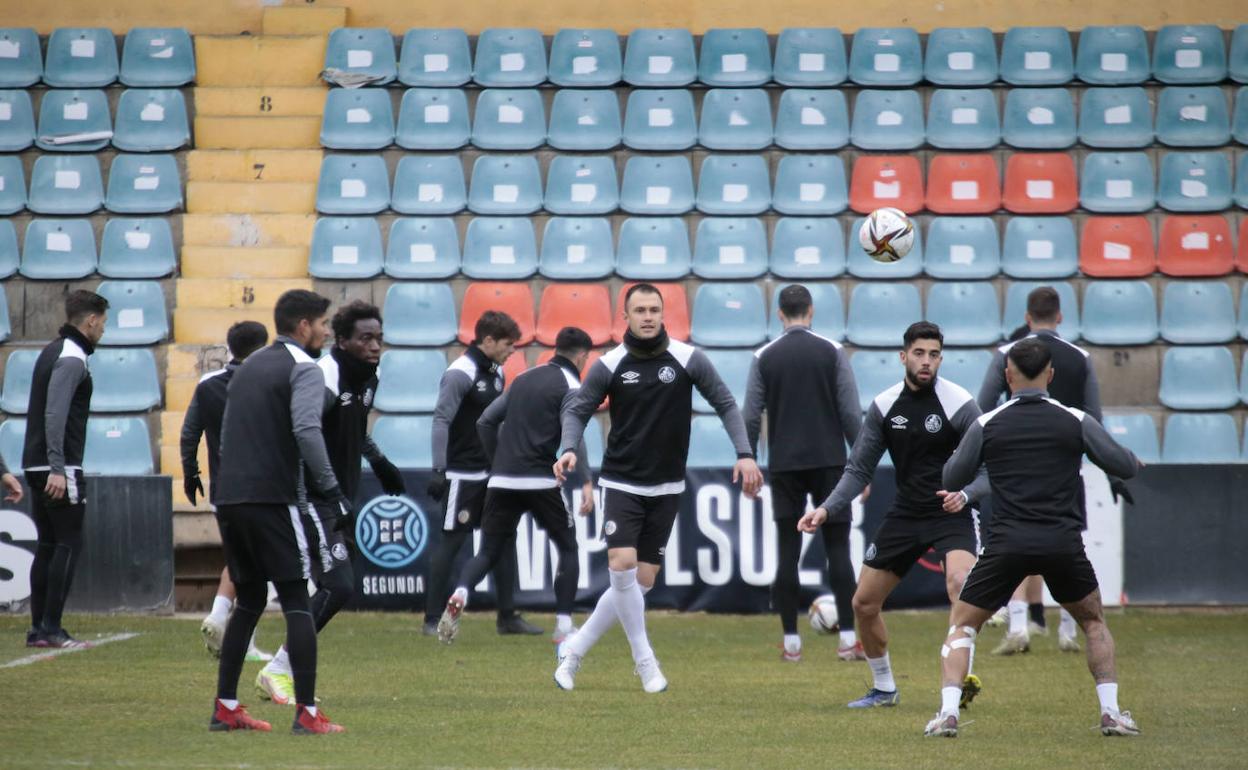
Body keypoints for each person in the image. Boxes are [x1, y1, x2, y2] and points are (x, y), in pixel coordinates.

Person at [925, 338, 1142, 738]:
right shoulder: (1074, 419)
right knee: (1093, 622)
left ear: (1007, 376)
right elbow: (1120, 463)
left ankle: (948, 714)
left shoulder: (987, 423)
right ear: (1051, 375)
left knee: (962, 626)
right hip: (1062, 542)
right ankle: (1111, 713)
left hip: (1007, 544)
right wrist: (1132, 460)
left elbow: (952, 478)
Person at [552, 283, 764, 693]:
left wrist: (745, 452)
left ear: (662, 313)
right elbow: (577, 408)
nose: (648, 316)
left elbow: (724, 402)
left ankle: (574, 648)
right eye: (640, 310)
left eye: (654, 309)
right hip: (621, 482)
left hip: (667, 486)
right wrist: (567, 448)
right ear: (624, 316)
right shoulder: (610, 364)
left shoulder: (688, 359)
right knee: (621, 564)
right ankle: (645, 661)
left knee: (640, 582)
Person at [799, 322, 989, 710]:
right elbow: (858, 470)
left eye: (934, 354)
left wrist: (966, 495)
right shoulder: (885, 406)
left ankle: (959, 680)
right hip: (906, 513)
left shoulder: (960, 404)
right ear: (903, 356)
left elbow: (991, 468)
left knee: (959, 583)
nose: (926, 362)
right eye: (919, 353)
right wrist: (826, 508)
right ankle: (884, 688)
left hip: (950, 510)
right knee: (863, 604)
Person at [209, 289, 346, 734]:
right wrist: (331, 487)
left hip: (230, 498)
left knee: (248, 600)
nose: (326, 332)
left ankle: (226, 707)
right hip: (273, 499)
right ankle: (307, 715)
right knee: (296, 601)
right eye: (323, 323)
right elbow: (307, 429)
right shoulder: (303, 367)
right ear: (304, 326)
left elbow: (228, 436)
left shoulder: (247, 369)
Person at [255, 300, 406, 704]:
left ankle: (277, 668)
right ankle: (278, 669)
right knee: (337, 585)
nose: (375, 346)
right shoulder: (325, 374)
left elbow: (352, 427)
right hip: (315, 497)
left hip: (336, 496)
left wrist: (379, 460)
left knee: (329, 586)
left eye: (379, 338)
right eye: (365, 338)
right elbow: (305, 432)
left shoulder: (367, 377)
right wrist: (331, 491)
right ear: (342, 340)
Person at [977, 286, 1129, 654]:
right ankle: (1068, 630)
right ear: (1059, 317)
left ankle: (1017, 625)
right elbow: (1094, 420)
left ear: (1027, 318)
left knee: (1008, 542)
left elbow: (981, 410)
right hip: (1064, 472)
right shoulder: (1080, 357)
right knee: (1070, 546)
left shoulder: (1005, 354)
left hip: (1011, 470)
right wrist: (1112, 473)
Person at [437, 327, 596, 645]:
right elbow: (572, 431)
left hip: (501, 480)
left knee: (488, 551)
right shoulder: (572, 385)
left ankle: (460, 593)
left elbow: (485, 421)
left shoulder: (523, 378)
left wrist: (497, 460)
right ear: (581, 356)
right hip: (539, 479)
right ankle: (564, 625)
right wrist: (586, 478)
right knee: (567, 546)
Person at [741, 284, 865, 663]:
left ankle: (792, 644)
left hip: (785, 464)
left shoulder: (764, 356)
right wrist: (861, 466)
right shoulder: (832, 352)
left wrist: (748, 458)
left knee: (787, 552)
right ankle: (847, 639)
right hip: (829, 462)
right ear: (810, 312)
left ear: (780, 313)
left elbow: (750, 414)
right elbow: (849, 412)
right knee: (838, 549)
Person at [423, 311, 541, 637]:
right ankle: (431, 620)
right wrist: (438, 469)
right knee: (452, 543)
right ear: (487, 341)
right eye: (508, 344)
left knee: (503, 540)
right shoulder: (460, 373)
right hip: (462, 475)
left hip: (492, 474)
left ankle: (507, 617)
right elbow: (441, 420)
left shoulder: (498, 373)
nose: (512, 351)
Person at [182, 321, 273, 663]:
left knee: (240, 557)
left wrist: (191, 472)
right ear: (262, 348)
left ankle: (219, 615)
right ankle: (239, 637)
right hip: (262, 489)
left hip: (223, 490)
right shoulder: (266, 382)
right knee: (256, 567)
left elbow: (190, 432)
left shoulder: (207, 384)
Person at [23, 290, 108, 649]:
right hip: (58, 467)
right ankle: (52, 628)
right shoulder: (73, 357)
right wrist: (58, 467)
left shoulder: (52, 350)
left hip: (36, 462)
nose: (103, 330)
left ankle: (39, 629)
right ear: (90, 321)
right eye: (103, 323)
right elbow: (55, 414)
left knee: (46, 544)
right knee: (67, 543)